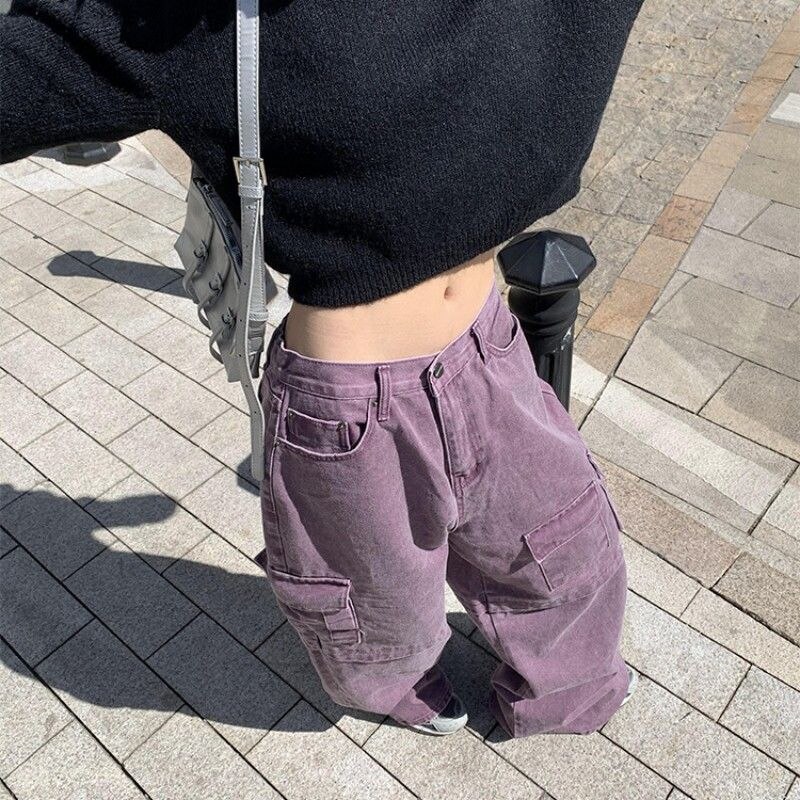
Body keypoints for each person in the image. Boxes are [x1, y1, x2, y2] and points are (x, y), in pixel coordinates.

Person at [1, 0, 644, 736]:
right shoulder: (205, 17)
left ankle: (566, 689)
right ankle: (397, 685)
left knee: (569, 552)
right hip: (345, 407)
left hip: (488, 344)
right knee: (370, 604)